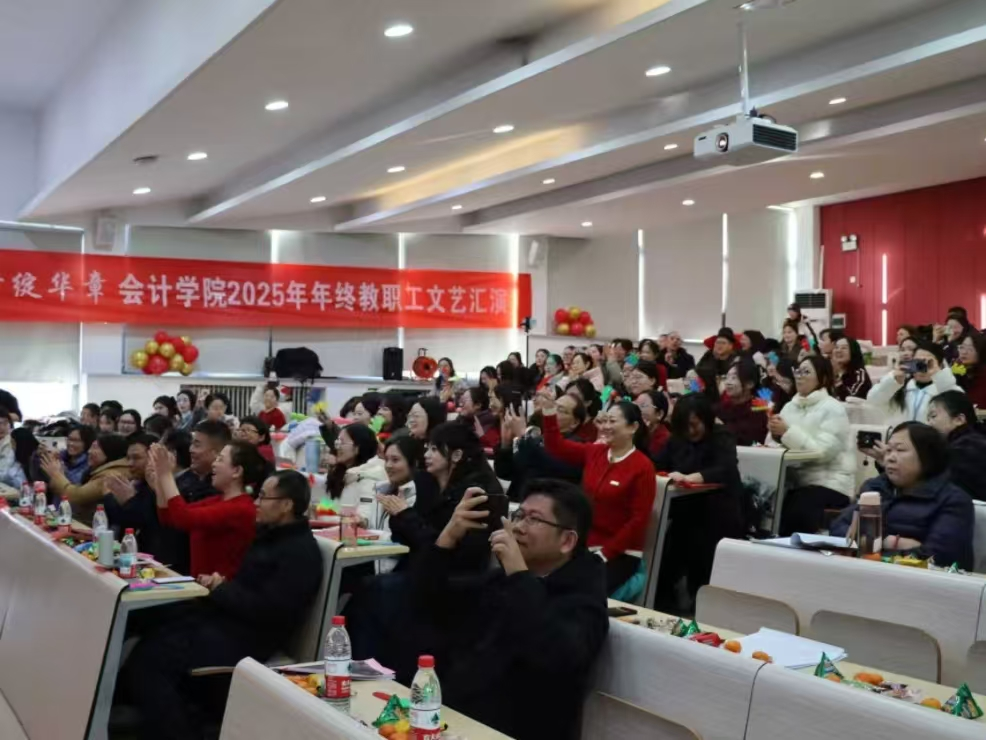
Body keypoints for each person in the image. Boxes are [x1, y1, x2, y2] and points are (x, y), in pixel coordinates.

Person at [121, 470, 323, 740]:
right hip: (227, 619)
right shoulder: (272, 535)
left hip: (249, 637)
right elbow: (250, 588)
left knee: (152, 662)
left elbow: (270, 611)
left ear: (286, 505)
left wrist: (222, 590)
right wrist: (222, 586)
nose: (256, 503)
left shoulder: (299, 553)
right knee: (154, 625)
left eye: (264, 497)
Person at [403, 480, 609, 740]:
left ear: (567, 541)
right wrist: (448, 537)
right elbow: (429, 602)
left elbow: (556, 654)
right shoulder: (507, 579)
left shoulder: (583, 598)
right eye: (518, 515)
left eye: (534, 519)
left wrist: (518, 574)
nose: (518, 527)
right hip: (456, 718)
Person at [541, 390, 656, 594]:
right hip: (585, 544)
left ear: (633, 427)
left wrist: (606, 552)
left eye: (613, 421)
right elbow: (556, 447)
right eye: (605, 421)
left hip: (621, 553)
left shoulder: (643, 467)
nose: (606, 426)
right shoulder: (595, 452)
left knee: (581, 590)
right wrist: (549, 413)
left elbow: (638, 520)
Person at [830, 422, 973, 569]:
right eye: (888, 450)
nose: (890, 458)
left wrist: (869, 545)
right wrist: (889, 541)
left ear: (927, 456)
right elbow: (838, 529)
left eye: (900, 450)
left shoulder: (953, 500)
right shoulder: (875, 488)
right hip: (864, 570)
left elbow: (937, 557)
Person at [652, 394, 744, 600]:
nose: (690, 431)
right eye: (684, 426)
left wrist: (690, 478)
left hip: (717, 513)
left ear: (706, 419)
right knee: (664, 559)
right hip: (684, 511)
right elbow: (657, 463)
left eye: (694, 425)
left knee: (701, 560)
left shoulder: (721, 436)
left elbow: (725, 468)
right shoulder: (677, 439)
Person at [388, 422, 503, 572]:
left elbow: (443, 546)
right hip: (422, 568)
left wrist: (405, 514)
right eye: (427, 448)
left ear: (457, 455)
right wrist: (398, 515)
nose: (426, 455)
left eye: (434, 449)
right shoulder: (428, 483)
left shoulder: (475, 492)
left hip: (453, 576)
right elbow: (404, 538)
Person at [151, 440, 265, 579]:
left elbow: (183, 518)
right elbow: (168, 517)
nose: (214, 464)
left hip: (220, 589)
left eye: (220, 460)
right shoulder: (218, 500)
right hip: (201, 585)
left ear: (236, 471)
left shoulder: (241, 508)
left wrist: (166, 475)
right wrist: (160, 477)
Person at [768, 355, 855, 535]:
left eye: (806, 372)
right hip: (796, 483)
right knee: (761, 498)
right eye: (798, 371)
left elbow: (823, 452)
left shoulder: (833, 408)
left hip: (830, 483)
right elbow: (774, 443)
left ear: (822, 378)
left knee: (797, 508)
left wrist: (787, 433)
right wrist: (776, 436)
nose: (799, 376)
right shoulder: (789, 407)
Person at [494, 397, 584, 497]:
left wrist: (523, 435)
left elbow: (545, 467)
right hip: (518, 500)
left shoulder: (576, 446)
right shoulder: (538, 437)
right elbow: (505, 473)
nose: (552, 412)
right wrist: (506, 444)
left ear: (575, 422)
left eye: (560, 409)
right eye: (553, 407)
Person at [41, 433, 131, 523]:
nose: (89, 451)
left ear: (109, 450)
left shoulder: (111, 475)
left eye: (95, 447)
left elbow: (77, 496)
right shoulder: (102, 469)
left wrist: (56, 474)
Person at [867, 339, 960, 425]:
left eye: (929, 363)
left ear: (940, 365)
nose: (922, 366)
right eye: (918, 362)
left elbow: (958, 406)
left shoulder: (944, 389)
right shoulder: (900, 388)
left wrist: (939, 375)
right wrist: (893, 380)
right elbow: (872, 401)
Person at [369, 435, 424, 570]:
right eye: (386, 459)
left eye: (395, 460)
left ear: (414, 463)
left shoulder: (420, 496)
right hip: (375, 567)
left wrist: (373, 537)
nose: (388, 465)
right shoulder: (381, 491)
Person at [927, 391, 986, 502]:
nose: (929, 424)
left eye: (933, 416)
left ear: (959, 420)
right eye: (928, 419)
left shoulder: (964, 450)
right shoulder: (975, 440)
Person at [328, 423, 387, 522]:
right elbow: (335, 506)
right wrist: (322, 508)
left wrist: (329, 515)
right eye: (337, 442)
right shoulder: (340, 473)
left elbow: (364, 516)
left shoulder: (370, 476)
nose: (337, 447)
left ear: (357, 448)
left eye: (342, 442)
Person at [717, 358, 768, 447]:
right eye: (726, 377)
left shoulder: (760, 409)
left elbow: (748, 440)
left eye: (734, 378)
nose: (727, 382)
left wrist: (720, 427)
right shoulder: (723, 406)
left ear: (750, 384)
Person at [179, 420, 231, 504]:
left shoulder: (219, 489)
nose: (191, 449)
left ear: (218, 452)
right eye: (191, 444)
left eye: (197, 445)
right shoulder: (186, 478)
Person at [831, 335, 873, 401]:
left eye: (844, 348)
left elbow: (851, 399)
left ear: (853, 351)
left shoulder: (860, 374)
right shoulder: (828, 370)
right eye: (836, 347)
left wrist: (837, 378)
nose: (838, 350)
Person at [634, 389, 671, 457]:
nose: (637, 410)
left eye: (643, 406)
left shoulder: (665, 440)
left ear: (659, 414)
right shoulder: (635, 433)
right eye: (636, 406)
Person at [954, 333, 986, 409]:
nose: (964, 352)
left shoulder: (983, 377)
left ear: (981, 352)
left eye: (970, 349)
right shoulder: (956, 370)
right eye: (962, 347)